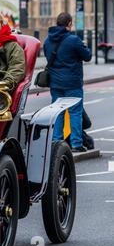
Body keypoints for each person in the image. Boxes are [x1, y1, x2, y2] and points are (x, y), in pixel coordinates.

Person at [43, 12, 92, 152]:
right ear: (69, 23)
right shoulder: (73, 40)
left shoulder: (47, 40)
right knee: (75, 113)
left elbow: (48, 57)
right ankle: (76, 144)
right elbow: (87, 56)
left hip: (55, 83)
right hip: (72, 83)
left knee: (58, 112)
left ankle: (57, 142)